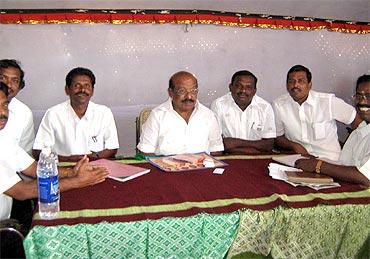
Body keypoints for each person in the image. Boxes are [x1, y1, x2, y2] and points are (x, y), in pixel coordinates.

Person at [0, 82, 109, 221]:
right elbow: (22, 191)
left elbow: (34, 169)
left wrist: (72, 172)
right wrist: (78, 181)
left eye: (4, 105)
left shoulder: (3, 138)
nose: (3, 113)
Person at [272, 65, 362, 161]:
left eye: (301, 81)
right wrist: (295, 146)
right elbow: (278, 137)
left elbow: (357, 122)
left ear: (309, 85)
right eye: (291, 81)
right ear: (286, 85)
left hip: (331, 162)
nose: (295, 85)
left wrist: (350, 149)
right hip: (300, 160)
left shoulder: (327, 102)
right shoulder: (279, 105)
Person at [295, 74, 370, 187]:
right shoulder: (360, 130)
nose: (362, 102)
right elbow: (344, 165)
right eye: (359, 96)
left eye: (368, 96)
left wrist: (318, 166)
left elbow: (364, 177)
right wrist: (313, 163)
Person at [33, 67, 119, 162]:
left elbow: (112, 148)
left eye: (87, 86)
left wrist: (90, 158)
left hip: (95, 165)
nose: (82, 90)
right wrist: (68, 159)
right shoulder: (53, 114)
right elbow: (38, 151)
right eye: (77, 86)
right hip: (63, 167)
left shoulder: (104, 112)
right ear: (67, 90)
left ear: (92, 91)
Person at [137, 71, 224, 156]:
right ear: (170, 92)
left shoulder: (208, 115)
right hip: (167, 168)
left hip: (202, 168)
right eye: (182, 91)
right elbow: (146, 151)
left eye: (193, 91)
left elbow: (216, 150)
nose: (189, 96)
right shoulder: (157, 115)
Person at [211, 70, 276, 154]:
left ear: (254, 91)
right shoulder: (218, 105)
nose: (243, 91)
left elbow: (268, 144)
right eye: (239, 86)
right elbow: (218, 144)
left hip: (257, 158)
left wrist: (234, 143)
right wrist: (253, 148)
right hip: (229, 157)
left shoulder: (265, 107)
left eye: (248, 87)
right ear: (230, 87)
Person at [0, 59, 35, 154]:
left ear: (20, 86)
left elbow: (25, 153)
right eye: (2, 78)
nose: (8, 84)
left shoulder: (24, 113)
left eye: (15, 81)